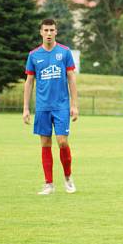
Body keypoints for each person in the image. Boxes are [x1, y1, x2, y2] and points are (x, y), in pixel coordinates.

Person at [23, 18, 79, 195]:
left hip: (61, 106)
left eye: (51, 30)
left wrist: (74, 105)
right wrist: (26, 108)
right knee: (45, 143)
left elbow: (71, 78)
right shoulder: (33, 55)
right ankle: (49, 184)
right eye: (45, 30)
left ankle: (68, 177)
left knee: (62, 142)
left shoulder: (65, 52)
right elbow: (29, 82)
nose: (48, 33)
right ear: (41, 32)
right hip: (42, 107)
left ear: (56, 32)